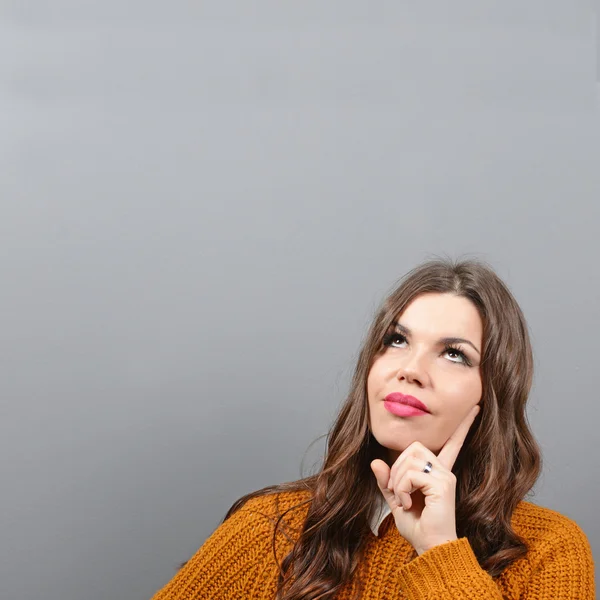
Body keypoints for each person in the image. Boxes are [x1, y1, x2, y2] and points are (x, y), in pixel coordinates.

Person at [150, 258, 596, 600]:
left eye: (454, 354)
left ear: (492, 391)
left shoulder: (548, 551)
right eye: (396, 341)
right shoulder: (270, 529)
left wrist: (440, 551)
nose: (410, 370)